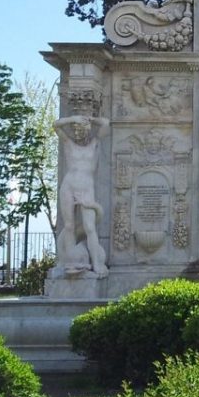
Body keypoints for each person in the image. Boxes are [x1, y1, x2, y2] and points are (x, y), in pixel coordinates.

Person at [53, 114, 110, 278]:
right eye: (76, 131)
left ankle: (97, 263)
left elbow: (106, 123)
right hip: (68, 186)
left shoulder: (94, 143)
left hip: (86, 188)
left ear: (88, 131)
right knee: (69, 226)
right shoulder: (68, 143)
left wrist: (91, 119)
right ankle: (70, 262)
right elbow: (56, 125)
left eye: (82, 130)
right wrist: (74, 119)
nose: (78, 134)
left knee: (90, 227)